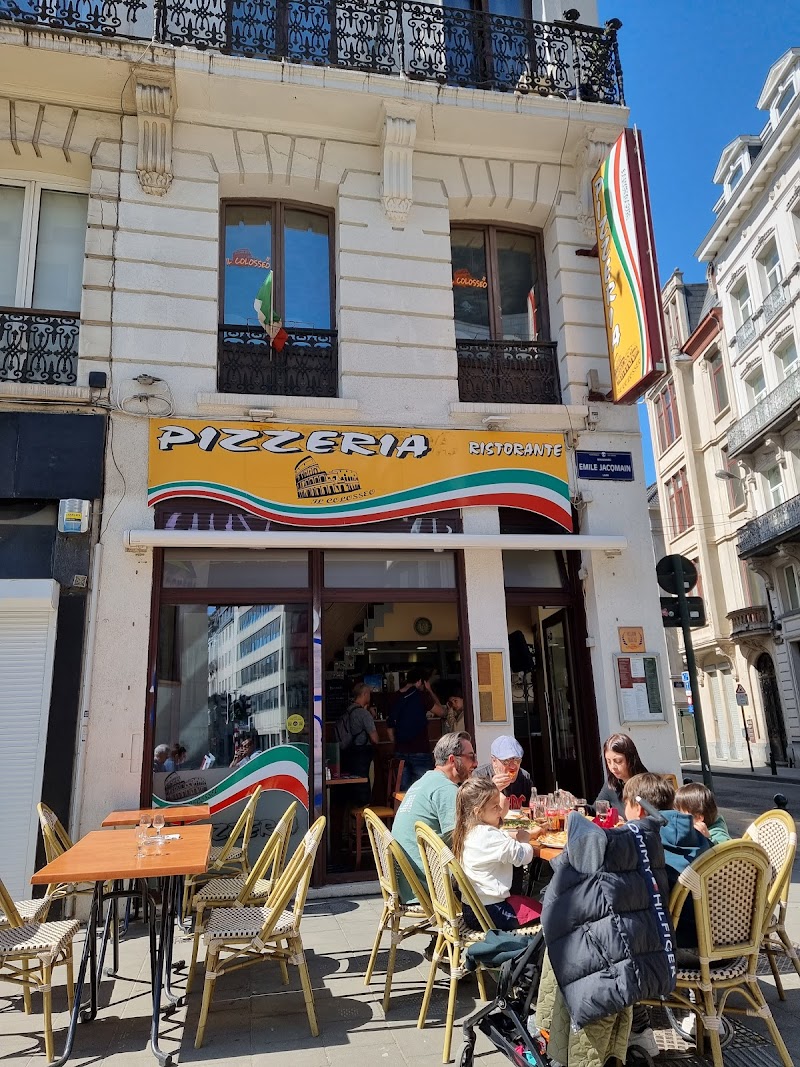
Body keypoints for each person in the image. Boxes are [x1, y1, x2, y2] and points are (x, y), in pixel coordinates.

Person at [391, 732, 477, 904]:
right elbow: (468, 838)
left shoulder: (423, 783)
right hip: (430, 886)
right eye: (471, 757)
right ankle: (506, 917)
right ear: (453, 760)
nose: (476, 763)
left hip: (408, 884)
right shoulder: (446, 789)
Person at [453, 776, 543, 930]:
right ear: (478, 812)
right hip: (491, 913)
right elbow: (524, 856)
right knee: (550, 912)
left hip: (472, 909)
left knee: (530, 902)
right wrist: (524, 840)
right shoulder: (488, 835)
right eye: (495, 807)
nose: (500, 810)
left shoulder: (468, 830)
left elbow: (498, 841)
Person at [388, 667, 446, 791]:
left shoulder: (394, 697)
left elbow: (390, 728)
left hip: (400, 750)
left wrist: (397, 745)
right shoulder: (421, 696)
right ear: (420, 681)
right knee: (424, 789)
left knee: (402, 792)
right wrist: (430, 690)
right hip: (420, 749)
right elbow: (442, 712)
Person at [338, 682, 380, 805]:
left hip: (348, 753)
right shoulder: (364, 714)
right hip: (362, 755)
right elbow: (375, 739)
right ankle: (363, 813)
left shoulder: (347, 711)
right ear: (365, 694)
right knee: (363, 787)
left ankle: (353, 814)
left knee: (352, 788)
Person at [474, 735, 533, 811]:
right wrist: (492, 790)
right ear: (494, 761)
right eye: (506, 761)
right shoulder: (479, 776)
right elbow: (473, 810)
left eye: (517, 760)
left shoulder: (525, 777)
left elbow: (530, 809)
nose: (512, 766)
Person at [594, 733, 649, 813]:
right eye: (608, 761)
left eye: (618, 761)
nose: (613, 767)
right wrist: (579, 806)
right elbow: (595, 810)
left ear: (630, 759)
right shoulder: (612, 784)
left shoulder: (647, 786)